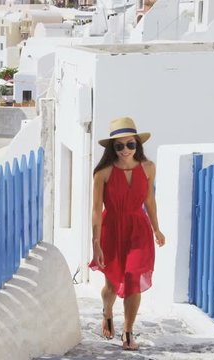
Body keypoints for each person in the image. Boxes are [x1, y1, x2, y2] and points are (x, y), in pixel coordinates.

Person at [89, 117, 166, 350]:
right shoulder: (103, 172)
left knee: (133, 278)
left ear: (137, 145)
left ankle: (128, 332)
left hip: (138, 229)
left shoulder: (148, 168)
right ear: (113, 148)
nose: (125, 150)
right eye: (119, 146)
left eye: (130, 144)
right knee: (111, 285)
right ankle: (108, 311)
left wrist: (156, 228)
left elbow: (150, 201)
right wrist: (96, 243)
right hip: (111, 229)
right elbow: (95, 209)